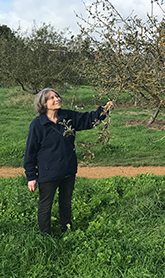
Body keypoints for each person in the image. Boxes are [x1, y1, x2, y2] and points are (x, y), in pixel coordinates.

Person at [24, 88, 113, 235]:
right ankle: (45, 237)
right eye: (51, 98)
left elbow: (89, 119)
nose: (57, 99)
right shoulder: (37, 125)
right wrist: (31, 176)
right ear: (43, 103)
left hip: (68, 170)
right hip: (48, 173)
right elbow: (30, 152)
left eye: (57, 96)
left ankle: (67, 230)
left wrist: (104, 109)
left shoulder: (68, 117)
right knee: (45, 206)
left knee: (65, 203)